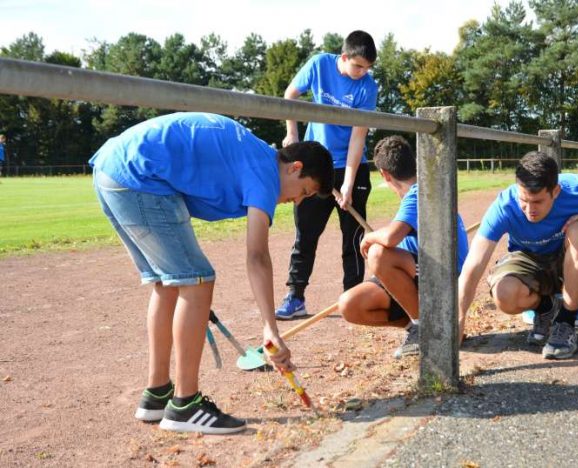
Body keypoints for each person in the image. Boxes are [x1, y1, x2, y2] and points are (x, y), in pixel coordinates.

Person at [89, 112, 334, 434]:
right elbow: (257, 256)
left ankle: (157, 394)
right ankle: (185, 405)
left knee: (168, 285)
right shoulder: (265, 173)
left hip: (112, 169)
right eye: (303, 192)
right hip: (138, 177)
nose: (296, 201)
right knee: (198, 281)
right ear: (295, 167)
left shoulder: (256, 156)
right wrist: (270, 330)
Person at [458, 151, 578, 359]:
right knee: (504, 294)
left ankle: (566, 321)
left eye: (538, 202)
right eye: (524, 200)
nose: (529, 209)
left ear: (556, 191)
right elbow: (474, 263)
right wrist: (458, 319)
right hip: (529, 259)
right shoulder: (504, 206)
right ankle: (546, 307)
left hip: (569, 255)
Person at [276, 30, 379, 320]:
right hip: (315, 164)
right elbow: (290, 96)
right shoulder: (319, 64)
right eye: (358, 66)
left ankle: (354, 297)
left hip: (351, 166)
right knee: (305, 234)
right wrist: (292, 134)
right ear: (343, 57)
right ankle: (295, 297)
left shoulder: (368, 88)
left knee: (353, 236)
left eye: (367, 68)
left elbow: (358, 137)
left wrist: (347, 182)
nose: (362, 73)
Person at [337, 136, 469, 358]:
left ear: (384, 174)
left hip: (443, 280)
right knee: (349, 304)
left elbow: (390, 238)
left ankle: (428, 329)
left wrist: (369, 239)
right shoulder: (421, 190)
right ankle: (416, 327)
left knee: (378, 254)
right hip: (420, 272)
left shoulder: (420, 192)